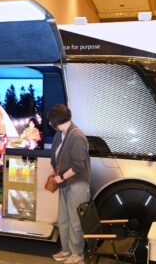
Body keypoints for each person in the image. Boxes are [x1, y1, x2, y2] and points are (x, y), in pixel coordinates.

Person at [47, 104, 90, 264]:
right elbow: (58, 157)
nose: (50, 124)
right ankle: (66, 251)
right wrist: (54, 172)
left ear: (57, 121)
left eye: (51, 121)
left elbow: (78, 166)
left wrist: (61, 177)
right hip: (64, 183)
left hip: (77, 184)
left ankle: (77, 254)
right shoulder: (61, 134)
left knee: (75, 220)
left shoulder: (77, 135)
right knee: (63, 219)